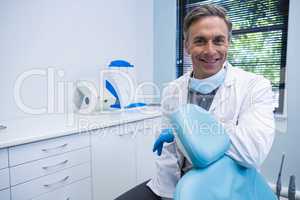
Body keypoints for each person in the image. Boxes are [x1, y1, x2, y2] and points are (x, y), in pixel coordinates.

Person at [115, 4, 275, 200]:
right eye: (200, 41)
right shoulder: (172, 90)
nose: (210, 50)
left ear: (228, 43)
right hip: (178, 183)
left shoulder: (255, 86)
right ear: (187, 45)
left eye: (218, 40)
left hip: (227, 188)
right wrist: (169, 195)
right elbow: (167, 155)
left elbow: (252, 151)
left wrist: (187, 130)